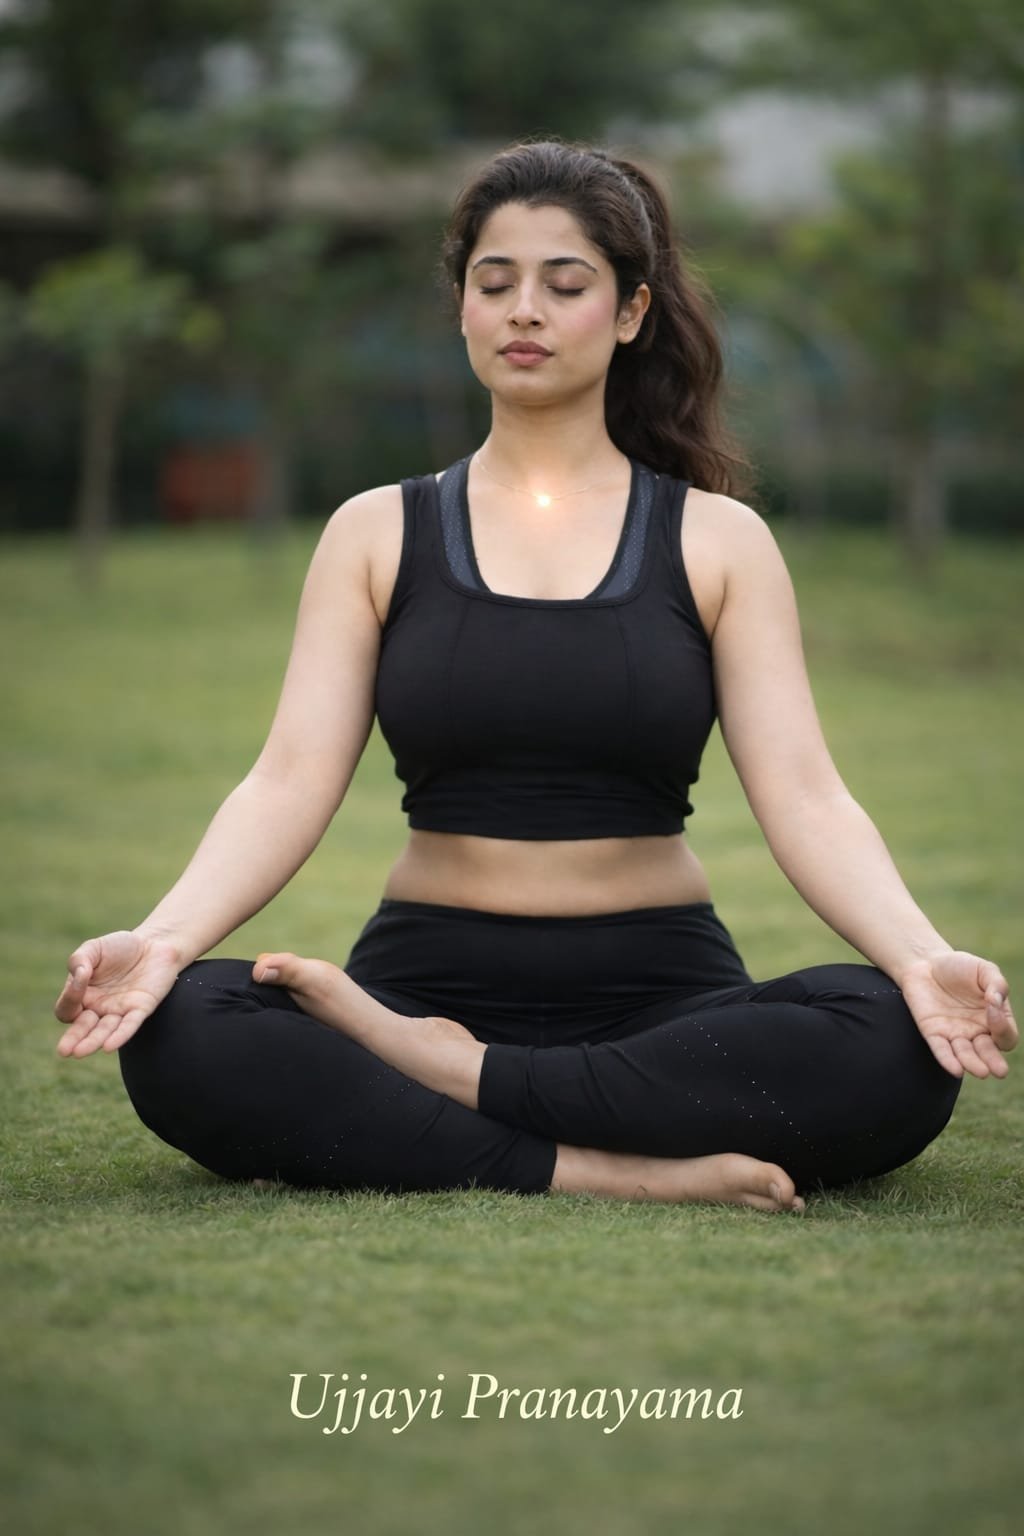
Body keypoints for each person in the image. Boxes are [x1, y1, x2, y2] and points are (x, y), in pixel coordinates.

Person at [54, 140, 1016, 1214]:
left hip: (658, 988)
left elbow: (804, 794)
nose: (524, 310)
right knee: (184, 1026)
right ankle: (602, 1166)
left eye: (565, 286)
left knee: (891, 1040)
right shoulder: (377, 532)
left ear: (630, 313)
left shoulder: (718, 540)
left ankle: (451, 1086)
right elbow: (285, 780)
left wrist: (922, 955)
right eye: (493, 282)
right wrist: (167, 938)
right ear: (460, 308)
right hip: (424, 977)